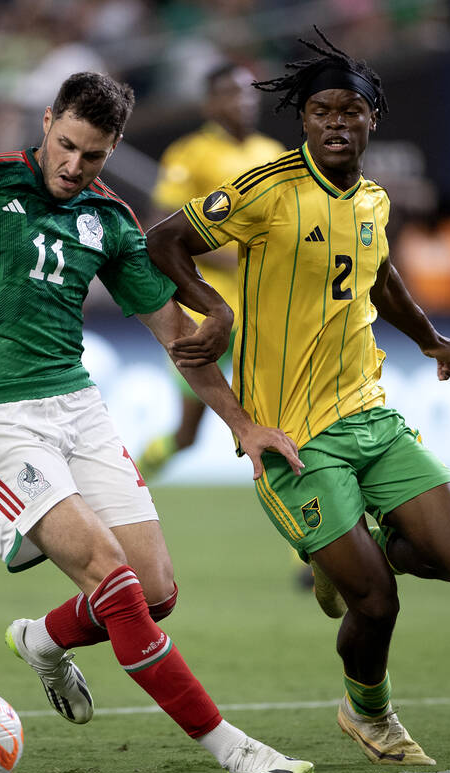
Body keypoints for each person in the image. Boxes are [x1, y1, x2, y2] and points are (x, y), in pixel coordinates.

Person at [0, 71, 314, 773]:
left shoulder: (112, 222)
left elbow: (176, 337)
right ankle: (232, 749)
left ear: (113, 147)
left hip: (78, 407)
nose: (73, 165)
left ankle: (41, 640)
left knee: (156, 593)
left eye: (92, 155)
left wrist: (243, 424)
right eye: (65, 145)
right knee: (117, 584)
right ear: (46, 122)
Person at [146, 30, 450, 766]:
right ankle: (370, 713)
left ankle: (360, 556)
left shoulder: (372, 198)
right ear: (302, 120)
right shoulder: (266, 188)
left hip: (372, 415)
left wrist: (431, 340)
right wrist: (217, 308)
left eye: (351, 112)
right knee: (375, 602)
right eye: (321, 110)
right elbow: (164, 241)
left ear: (374, 121)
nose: (336, 122)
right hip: (292, 439)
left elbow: (378, 274)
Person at [136, 62, 285, 481]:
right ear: (211, 102)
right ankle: (137, 474)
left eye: (249, 93)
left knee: (279, 424)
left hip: (264, 310)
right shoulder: (189, 153)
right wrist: (238, 257)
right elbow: (161, 228)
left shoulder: (273, 155)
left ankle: (307, 541)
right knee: (188, 434)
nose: (244, 101)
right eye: (232, 93)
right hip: (205, 307)